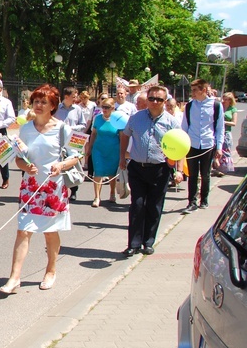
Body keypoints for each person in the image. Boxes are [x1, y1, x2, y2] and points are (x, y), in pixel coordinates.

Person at [0, 84, 80, 295]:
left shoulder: (63, 129)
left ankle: (51, 270)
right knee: (23, 230)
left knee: (50, 233)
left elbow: (76, 155)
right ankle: (14, 278)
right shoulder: (25, 128)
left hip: (53, 188)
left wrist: (61, 165)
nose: (39, 105)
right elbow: (18, 157)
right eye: (36, 101)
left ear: (53, 105)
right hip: (30, 186)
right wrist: (25, 166)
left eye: (44, 102)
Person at [119, 86, 183, 256]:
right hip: (137, 168)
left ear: (165, 101)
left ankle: (148, 241)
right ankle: (133, 243)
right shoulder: (136, 118)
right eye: (152, 98)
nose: (155, 102)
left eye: (159, 99)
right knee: (137, 205)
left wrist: (179, 170)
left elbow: (181, 146)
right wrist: (122, 158)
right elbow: (125, 135)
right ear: (147, 99)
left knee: (154, 207)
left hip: (160, 169)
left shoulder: (172, 122)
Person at [182, 79, 224, 213]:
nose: (192, 93)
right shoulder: (189, 106)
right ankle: (191, 202)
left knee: (205, 174)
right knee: (192, 174)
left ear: (204, 90)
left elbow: (219, 127)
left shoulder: (216, 105)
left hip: (207, 144)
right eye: (192, 90)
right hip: (192, 144)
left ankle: (204, 199)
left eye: (195, 90)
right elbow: (184, 126)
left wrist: (219, 147)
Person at [54, 86, 86, 202]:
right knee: (60, 163)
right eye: (73, 96)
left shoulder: (77, 109)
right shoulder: (57, 108)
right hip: (59, 140)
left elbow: (83, 124)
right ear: (66, 97)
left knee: (72, 163)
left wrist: (71, 128)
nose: (75, 98)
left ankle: (74, 190)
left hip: (73, 139)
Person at [87, 97, 119, 207]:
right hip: (98, 149)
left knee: (112, 173)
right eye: (103, 107)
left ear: (113, 108)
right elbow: (94, 134)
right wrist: (89, 148)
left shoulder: (117, 120)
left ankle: (112, 193)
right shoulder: (98, 118)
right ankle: (97, 197)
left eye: (107, 107)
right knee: (98, 172)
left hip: (113, 150)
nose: (104, 110)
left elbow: (123, 136)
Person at [214, 92, 238, 177]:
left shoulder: (232, 109)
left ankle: (224, 169)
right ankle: (217, 168)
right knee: (216, 150)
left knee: (225, 151)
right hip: (218, 132)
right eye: (224, 98)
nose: (225, 100)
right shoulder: (220, 107)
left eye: (227, 99)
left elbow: (234, 123)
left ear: (230, 100)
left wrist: (224, 122)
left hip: (226, 133)